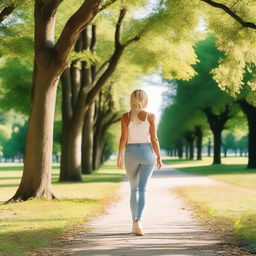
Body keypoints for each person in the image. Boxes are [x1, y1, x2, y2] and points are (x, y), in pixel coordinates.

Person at [117, 89, 163, 236]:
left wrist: (120, 156)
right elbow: (154, 139)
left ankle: (133, 222)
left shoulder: (125, 116)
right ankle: (139, 221)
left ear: (132, 99)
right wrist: (159, 157)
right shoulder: (151, 116)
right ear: (145, 100)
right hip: (147, 153)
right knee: (143, 189)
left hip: (130, 153)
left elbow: (123, 138)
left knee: (133, 189)